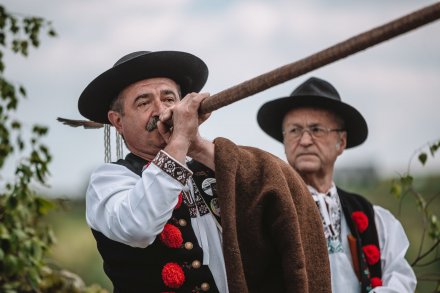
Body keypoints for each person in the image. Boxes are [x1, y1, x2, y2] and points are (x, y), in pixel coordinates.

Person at [77, 51, 331, 292]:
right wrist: (179, 141)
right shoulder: (109, 181)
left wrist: (196, 145)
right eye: (144, 102)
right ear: (117, 121)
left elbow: (274, 186)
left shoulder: (211, 166)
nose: (161, 110)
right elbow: (138, 227)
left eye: (168, 99)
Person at [257, 77, 417, 293]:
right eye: (294, 130)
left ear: (341, 142)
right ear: (284, 142)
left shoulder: (372, 217)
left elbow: (400, 278)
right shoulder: (264, 213)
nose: (305, 141)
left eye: (317, 129)